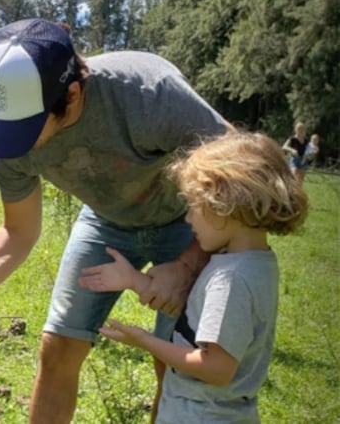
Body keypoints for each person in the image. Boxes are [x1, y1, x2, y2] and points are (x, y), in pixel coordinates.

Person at [0, 19, 234, 423]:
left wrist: (189, 264)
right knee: (59, 345)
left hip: (190, 222)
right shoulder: (8, 130)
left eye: (25, 129)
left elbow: (237, 173)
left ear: (73, 94)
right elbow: (18, 231)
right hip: (106, 222)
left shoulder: (147, 94)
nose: (11, 144)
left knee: (172, 360)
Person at [80, 132, 308, 423]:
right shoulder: (255, 262)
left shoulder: (231, 279)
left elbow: (216, 368)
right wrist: (134, 280)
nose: (188, 219)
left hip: (199, 414)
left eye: (193, 207)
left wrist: (144, 341)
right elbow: (198, 319)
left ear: (224, 203)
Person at [282, 122, 309, 186]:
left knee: (300, 180)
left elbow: (310, 150)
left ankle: (297, 194)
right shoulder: (292, 139)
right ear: (295, 130)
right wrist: (292, 150)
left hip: (303, 160)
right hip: (294, 160)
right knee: (294, 176)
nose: (301, 130)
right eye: (299, 129)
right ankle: (290, 191)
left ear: (304, 130)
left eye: (302, 129)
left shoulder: (306, 140)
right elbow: (284, 147)